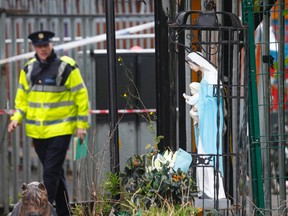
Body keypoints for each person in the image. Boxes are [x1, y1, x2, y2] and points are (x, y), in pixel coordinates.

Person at [8, 30, 89, 215]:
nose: (42, 49)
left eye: (45, 45)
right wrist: (15, 119)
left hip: (61, 130)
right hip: (37, 133)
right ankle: (63, 212)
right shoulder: (28, 69)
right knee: (57, 173)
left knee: (50, 174)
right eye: (38, 46)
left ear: (51, 44)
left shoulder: (66, 67)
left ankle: (44, 211)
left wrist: (81, 124)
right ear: (34, 47)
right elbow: (22, 99)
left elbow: (81, 97)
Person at [187, 51, 225, 199]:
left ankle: (214, 191)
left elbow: (212, 102)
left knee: (209, 153)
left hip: (210, 121)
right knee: (203, 153)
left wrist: (198, 106)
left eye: (191, 65)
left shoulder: (212, 76)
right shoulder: (207, 76)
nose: (191, 68)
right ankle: (206, 189)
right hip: (205, 120)